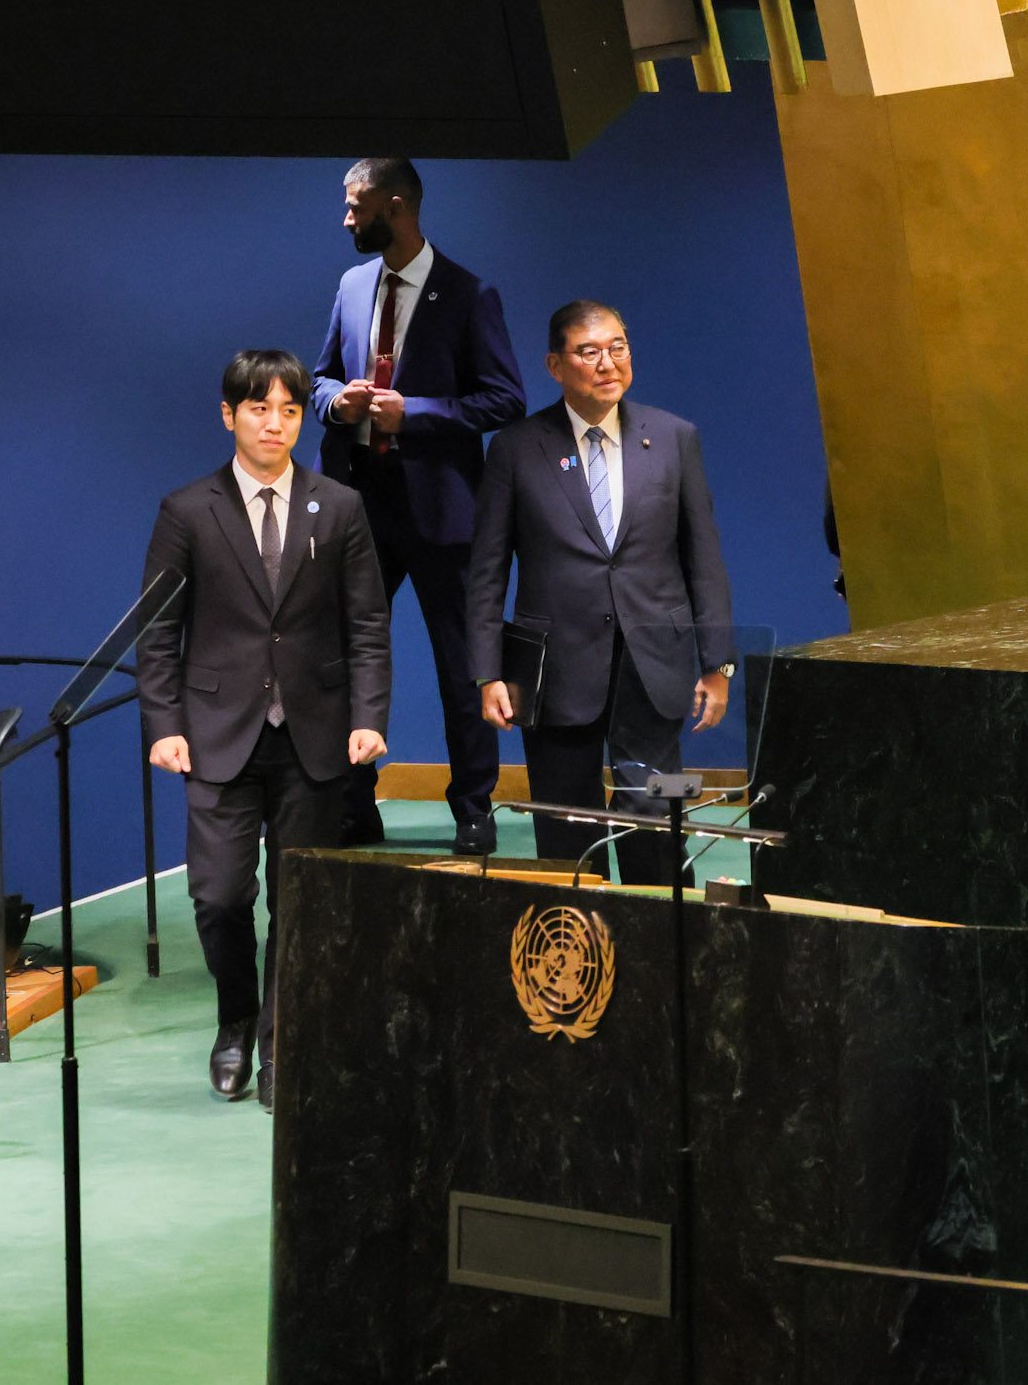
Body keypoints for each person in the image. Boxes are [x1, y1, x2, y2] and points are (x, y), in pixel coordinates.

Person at [140, 350, 390, 1111]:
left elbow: (367, 625)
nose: (274, 424)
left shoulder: (338, 506)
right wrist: (164, 724)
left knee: (299, 898)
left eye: (288, 410)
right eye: (258, 408)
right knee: (219, 897)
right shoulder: (188, 510)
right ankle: (236, 1019)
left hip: (315, 732)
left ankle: (284, 1042)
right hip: (216, 732)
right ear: (230, 416)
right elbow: (158, 633)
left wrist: (369, 716)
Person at [465, 301, 734, 884]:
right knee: (566, 825)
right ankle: (579, 938)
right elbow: (487, 570)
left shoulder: (674, 438)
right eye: (589, 352)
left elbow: (704, 559)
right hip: (555, 669)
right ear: (556, 365)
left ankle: (662, 926)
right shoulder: (516, 448)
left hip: (654, 662)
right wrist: (487, 673)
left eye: (618, 347)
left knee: (659, 812)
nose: (608, 363)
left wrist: (718, 664)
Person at [311, 158, 526, 854]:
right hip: (358, 503)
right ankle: (354, 802)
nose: (347, 218)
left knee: (464, 665)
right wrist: (336, 403)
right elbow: (318, 379)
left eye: (357, 205)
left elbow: (506, 399)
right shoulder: (351, 285)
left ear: (397, 206)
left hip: (442, 510)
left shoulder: (468, 293)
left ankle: (474, 807)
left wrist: (419, 414)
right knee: (347, 657)